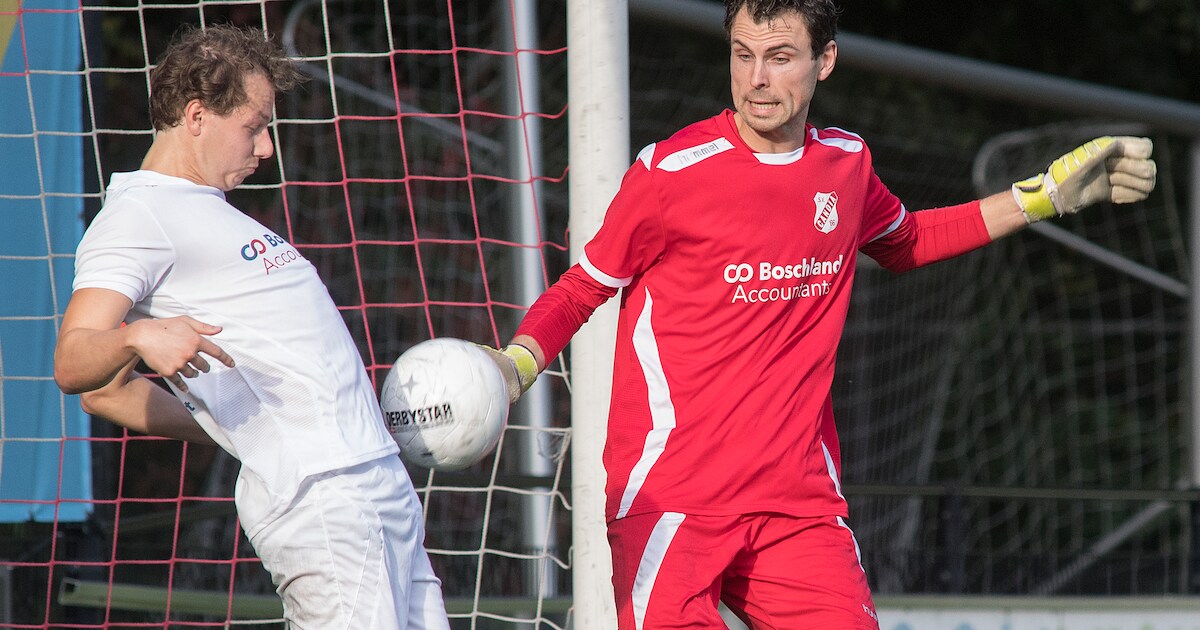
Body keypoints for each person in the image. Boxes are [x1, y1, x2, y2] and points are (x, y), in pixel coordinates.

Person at [481, 0, 1159, 627]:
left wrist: (1044, 197)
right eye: (743, 55)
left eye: (779, 57)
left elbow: (907, 241)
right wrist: (516, 365)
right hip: (673, 502)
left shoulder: (846, 164)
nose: (756, 79)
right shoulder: (670, 173)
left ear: (824, 60)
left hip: (797, 506)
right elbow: (582, 287)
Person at [53, 24, 450, 629]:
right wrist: (135, 336)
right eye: (254, 126)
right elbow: (74, 363)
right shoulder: (136, 216)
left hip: (373, 484)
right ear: (196, 116)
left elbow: (106, 396)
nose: (265, 148)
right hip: (324, 499)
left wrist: (236, 430)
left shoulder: (203, 208)